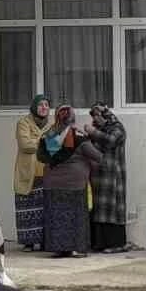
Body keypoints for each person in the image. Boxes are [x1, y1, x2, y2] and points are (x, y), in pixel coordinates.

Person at [37, 106, 101, 259]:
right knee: (76, 216)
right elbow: (97, 156)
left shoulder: (47, 136)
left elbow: (40, 157)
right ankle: (77, 248)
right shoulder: (79, 136)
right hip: (75, 184)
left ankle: (59, 248)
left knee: (56, 215)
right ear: (72, 118)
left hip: (52, 183)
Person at [84, 103, 130, 254]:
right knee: (98, 209)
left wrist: (93, 133)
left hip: (112, 175)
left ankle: (116, 243)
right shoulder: (98, 128)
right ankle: (99, 243)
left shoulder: (117, 128)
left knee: (112, 209)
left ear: (106, 115)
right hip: (97, 174)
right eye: (94, 116)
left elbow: (110, 141)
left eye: (98, 115)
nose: (96, 119)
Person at [13, 95, 54, 252]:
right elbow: (25, 145)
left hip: (46, 172)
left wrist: (38, 141)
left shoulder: (51, 124)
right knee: (27, 208)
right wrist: (43, 141)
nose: (44, 107)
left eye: (46, 105)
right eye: (41, 104)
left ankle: (44, 241)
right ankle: (28, 242)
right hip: (28, 173)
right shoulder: (23, 122)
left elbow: (53, 147)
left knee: (45, 209)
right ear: (34, 107)